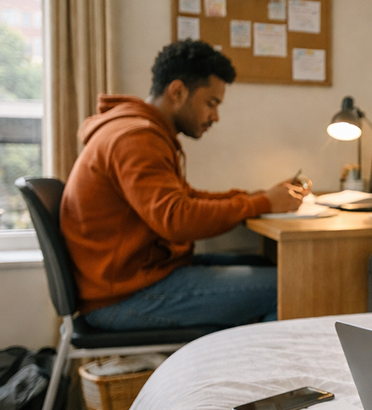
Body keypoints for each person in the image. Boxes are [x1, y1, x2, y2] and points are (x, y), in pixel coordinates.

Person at [60, 40, 305, 330]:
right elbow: (177, 219)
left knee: (267, 267)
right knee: (290, 286)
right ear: (177, 91)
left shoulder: (137, 131)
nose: (215, 116)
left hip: (127, 282)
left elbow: (184, 199)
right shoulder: (135, 139)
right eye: (211, 103)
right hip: (123, 299)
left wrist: (260, 196)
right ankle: (253, 374)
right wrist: (262, 203)